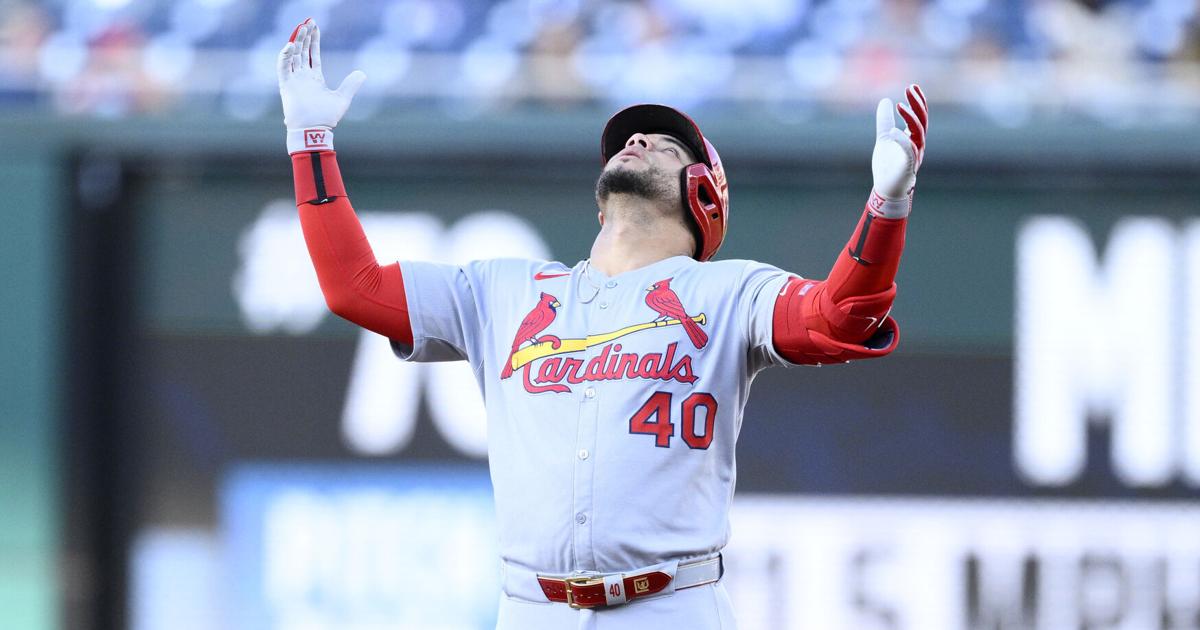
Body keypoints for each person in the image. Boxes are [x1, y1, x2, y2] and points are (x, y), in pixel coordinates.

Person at [277, 18, 926, 630]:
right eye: (628, 141)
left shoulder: (728, 290)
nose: (636, 141)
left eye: (664, 145)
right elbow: (353, 287)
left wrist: (887, 204)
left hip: (670, 603)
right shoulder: (504, 288)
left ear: (704, 195)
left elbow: (843, 314)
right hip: (532, 605)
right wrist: (311, 144)